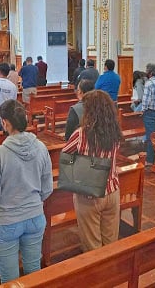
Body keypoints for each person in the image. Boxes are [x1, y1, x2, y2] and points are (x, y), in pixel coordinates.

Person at [0, 99, 53, 283]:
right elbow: (47, 188)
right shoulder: (41, 147)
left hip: (6, 222)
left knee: (10, 278)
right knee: (34, 271)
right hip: (35, 216)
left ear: (5, 122)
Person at [62, 90, 123, 252]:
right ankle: (111, 272)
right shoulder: (115, 133)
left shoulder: (81, 134)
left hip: (89, 194)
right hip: (112, 190)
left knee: (92, 246)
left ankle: (98, 275)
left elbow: (65, 157)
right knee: (111, 242)